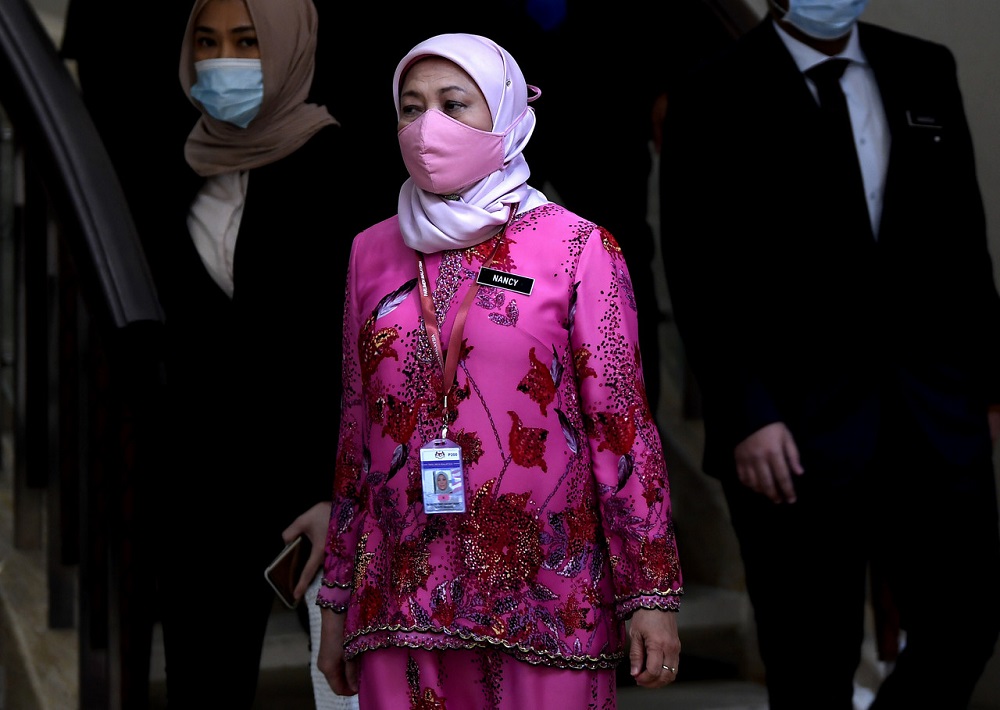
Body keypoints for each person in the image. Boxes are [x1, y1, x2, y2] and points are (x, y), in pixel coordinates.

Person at [317, 32, 683, 708]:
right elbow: (355, 433)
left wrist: (649, 592)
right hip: (399, 600)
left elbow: (621, 430)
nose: (428, 127)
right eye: (411, 106)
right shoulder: (370, 251)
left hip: (548, 600)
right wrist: (336, 597)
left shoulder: (578, 247)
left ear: (508, 113)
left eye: (455, 105)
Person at [659, 1, 1000, 708]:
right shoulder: (712, 89)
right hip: (791, 431)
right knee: (812, 660)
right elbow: (700, 271)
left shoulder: (923, 66)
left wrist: (987, 388)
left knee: (966, 623)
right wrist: (746, 412)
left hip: (935, 413)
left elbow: (964, 243)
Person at [146, 0, 364, 706]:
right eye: (206, 42)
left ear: (288, 45)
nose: (223, 62)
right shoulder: (173, 170)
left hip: (315, 482)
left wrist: (343, 489)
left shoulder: (339, 171)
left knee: (349, 684)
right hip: (204, 481)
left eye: (246, 41)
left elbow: (364, 345)